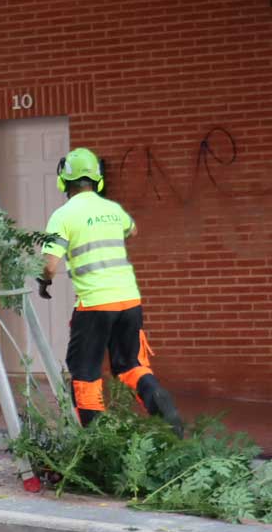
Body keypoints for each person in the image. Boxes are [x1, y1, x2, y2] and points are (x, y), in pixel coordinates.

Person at [39, 147, 184, 431]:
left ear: (64, 181)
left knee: (85, 371)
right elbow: (133, 229)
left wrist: (44, 281)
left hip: (94, 306)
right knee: (130, 365)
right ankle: (156, 397)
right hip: (129, 301)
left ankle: (96, 439)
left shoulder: (63, 215)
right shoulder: (113, 210)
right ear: (97, 179)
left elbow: (51, 265)